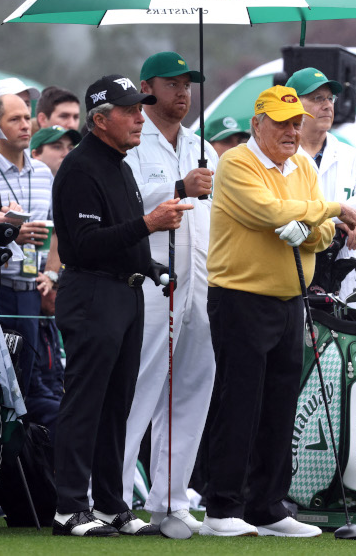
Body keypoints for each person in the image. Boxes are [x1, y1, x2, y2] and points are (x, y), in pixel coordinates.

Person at [203, 85, 356, 537]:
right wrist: (326, 210)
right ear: (258, 124)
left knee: (280, 407)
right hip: (240, 297)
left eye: (296, 123)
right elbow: (267, 210)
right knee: (239, 403)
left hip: (290, 299)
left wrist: (307, 226)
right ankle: (221, 508)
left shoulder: (303, 168)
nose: (291, 131)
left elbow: (320, 235)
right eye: (281, 122)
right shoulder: (236, 162)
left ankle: (267, 506)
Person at [51, 74, 192, 537]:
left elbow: (121, 236)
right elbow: (87, 244)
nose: (138, 118)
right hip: (92, 294)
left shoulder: (120, 165)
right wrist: (150, 224)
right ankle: (69, 506)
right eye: (130, 110)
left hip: (126, 294)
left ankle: (112, 504)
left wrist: (152, 268)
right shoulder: (79, 168)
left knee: (118, 405)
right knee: (85, 403)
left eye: (139, 108)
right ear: (99, 119)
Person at [119, 51, 216, 534]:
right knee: (139, 386)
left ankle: (171, 498)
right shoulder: (133, 139)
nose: (182, 92)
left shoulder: (203, 146)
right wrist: (178, 185)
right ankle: (112, 498)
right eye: (172, 83)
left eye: (188, 83)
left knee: (192, 390)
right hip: (152, 279)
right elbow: (127, 199)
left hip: (200, 279)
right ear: (147, 87)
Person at [0, 92, 54, 414]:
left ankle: (22, 458)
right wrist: (12, 234)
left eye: (27, 117)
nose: (25, 125)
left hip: (31, 291)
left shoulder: (43, 172)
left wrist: (51, 274)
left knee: (26, 381)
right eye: (14, 119)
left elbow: (58, 234)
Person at [288, 66, 356, 298]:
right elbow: (282, 209)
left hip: (345, 275)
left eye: (330, 98)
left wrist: (329, 218)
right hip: (293, 270)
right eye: (317, 98)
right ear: (292, 104)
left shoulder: (354, 157)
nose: (328, 105)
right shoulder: (280, 157)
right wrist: (339, 217)